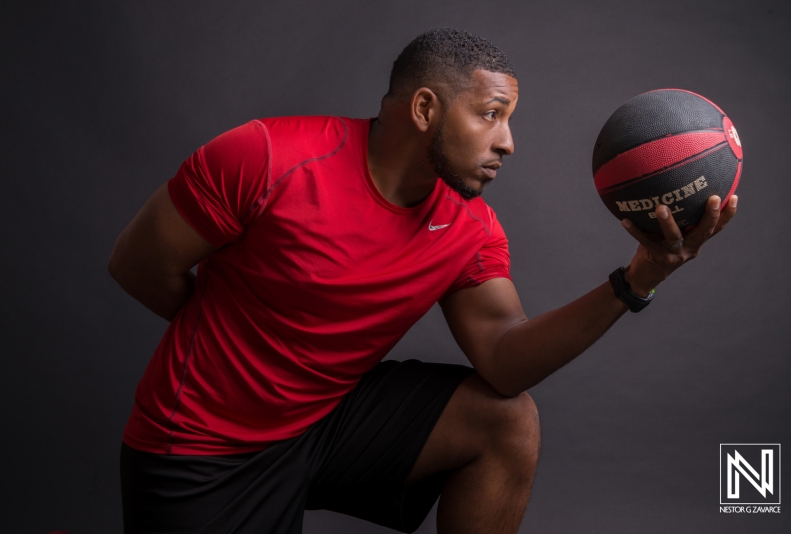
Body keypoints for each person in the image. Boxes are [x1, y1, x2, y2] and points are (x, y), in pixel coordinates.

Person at [108, 28, 737, 534]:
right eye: (491, 115)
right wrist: (241, 347)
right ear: (424, 108)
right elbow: (138, 266)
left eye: (510, 119)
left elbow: (504, 361)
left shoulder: (470, 227)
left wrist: (638, 279)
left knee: (506, 419)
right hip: (201, 449)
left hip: (328, 421)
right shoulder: (267, 157)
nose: (508, 143)